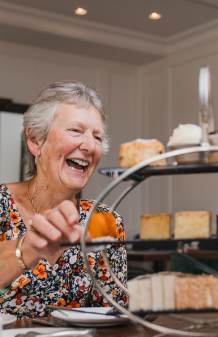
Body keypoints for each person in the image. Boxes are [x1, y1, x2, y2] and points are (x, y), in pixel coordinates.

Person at [0, 80, 127, 318]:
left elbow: (113, 314)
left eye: (97, 137)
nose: (90, 146)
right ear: (36, 140)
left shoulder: (104, 220)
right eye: (76, 131)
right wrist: (27, 247)